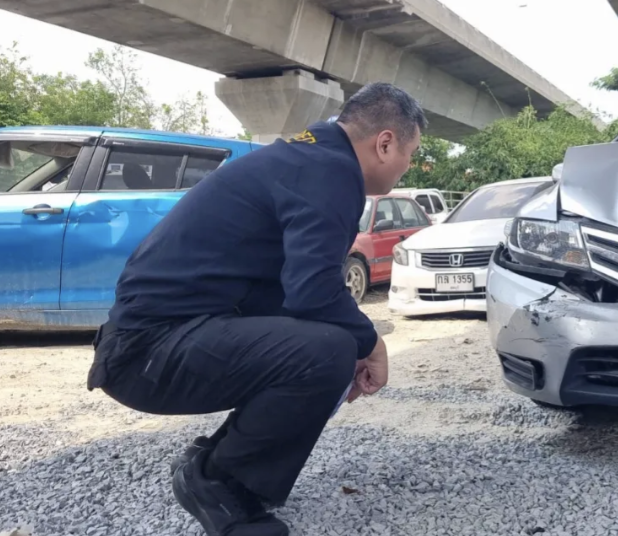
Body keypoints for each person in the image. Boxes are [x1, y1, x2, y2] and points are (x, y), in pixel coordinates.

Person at [86, 82, 427, 536]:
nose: (409, 166)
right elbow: (314, 292)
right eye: (410, 153)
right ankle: (219, 484)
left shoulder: (307, 158)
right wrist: (371, 344)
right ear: (384, 143)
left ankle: (217, 464)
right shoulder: (331, 172)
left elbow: (293, 291)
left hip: (147, 345)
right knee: (330, 350)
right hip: (147, 353)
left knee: (329, 345)